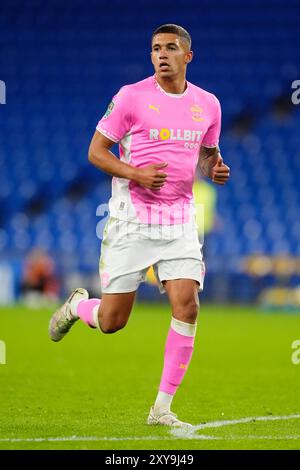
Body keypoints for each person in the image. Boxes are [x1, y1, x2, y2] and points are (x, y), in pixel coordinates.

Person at [49, 24, 230, 428]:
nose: (161, 54)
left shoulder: (209, 104)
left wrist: (213, 169)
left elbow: (207, 155)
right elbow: (96, 151)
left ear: (188, 56)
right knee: (113, 322)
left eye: (170, 48)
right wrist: (135, 173)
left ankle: (161, 409)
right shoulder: (131, 97)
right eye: (155, 48)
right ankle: (78, 306)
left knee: (188, 305)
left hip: (180, 220)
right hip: (132, 220)